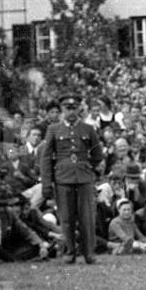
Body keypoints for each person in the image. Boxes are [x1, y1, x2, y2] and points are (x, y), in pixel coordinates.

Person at [40, 95, 104, 264]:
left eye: (74, 108)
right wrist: (47, 183)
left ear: (79, 110)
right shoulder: (53, 129)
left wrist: (87, 166)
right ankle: (70, 252)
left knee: (87, 217)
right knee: (66, 218)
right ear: (62, 110)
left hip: (84, 178)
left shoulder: (88, 129)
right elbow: (46, 158)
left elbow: (98, 154)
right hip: (63, 179)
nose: (71, 112)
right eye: (67, 108)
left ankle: (89, 253)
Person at [0, 186, 50, 262]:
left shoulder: (9, 213)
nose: (1, 209)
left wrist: (41, 245)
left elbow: (26, 231)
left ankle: (11, 259)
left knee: (35, 247)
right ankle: (12, 259)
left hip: (7, 248)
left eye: (3, 205)